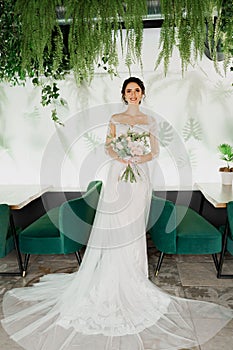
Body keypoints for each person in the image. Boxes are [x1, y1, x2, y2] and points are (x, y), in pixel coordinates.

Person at [1, 77, 233, 350]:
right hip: (117, 177)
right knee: (116, 222)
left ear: (143, 94)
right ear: (123, 95)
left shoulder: (150, 121)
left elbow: (154, 151)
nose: (133, 94)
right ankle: (111, 276)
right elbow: (108, 146)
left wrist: (137, 157)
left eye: (137, 90)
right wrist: (122, 155)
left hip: (141, 179)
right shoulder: (115, 117)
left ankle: (135, 275)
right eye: (128, 91)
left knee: (134, 226)